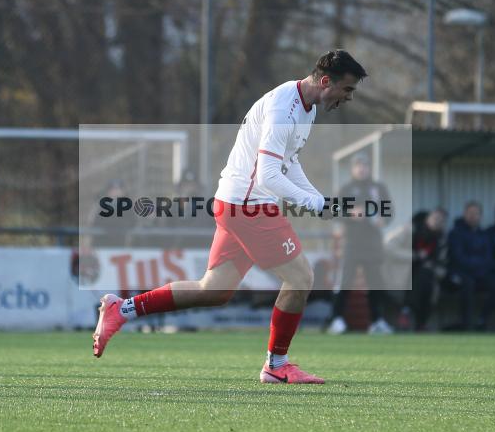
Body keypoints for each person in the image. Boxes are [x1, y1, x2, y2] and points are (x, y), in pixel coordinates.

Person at [92, 49, 368, 384]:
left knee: (214, 289)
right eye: (347, 90)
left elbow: (288, 163)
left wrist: (318, 200)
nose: (348, 97)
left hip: (236, 202)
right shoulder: (285, 108)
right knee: (300, 278)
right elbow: (268, 176)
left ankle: (122, 310)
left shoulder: (305, 108)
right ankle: (276, 364)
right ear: (326, 81)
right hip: (250, 205)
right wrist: (314, 205)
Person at [327, 152, 393, 335]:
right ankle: (337, 320)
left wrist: (383, 220)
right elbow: (334, 212)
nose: (361, 168)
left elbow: (390, 213)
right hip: (352, 244)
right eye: (358, 165)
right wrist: (350, 214)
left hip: (373, 244)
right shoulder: (346, 189)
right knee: (345, 282)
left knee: (375, 284)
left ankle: (377, 322)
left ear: (369, 167)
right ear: (353, 169)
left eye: (364, 165)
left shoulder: (378, 188)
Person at [446, 201, 495, 330]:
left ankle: (482, 320)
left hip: (479, 275)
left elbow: (489, 258)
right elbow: (458, 257)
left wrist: (479, 267)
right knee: (467, 283)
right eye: (470, 213)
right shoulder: (455, 233)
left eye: (476, 213)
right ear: (464, 214)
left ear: (480, 216)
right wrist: (476, 264)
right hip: (459, 275)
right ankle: (466, 324)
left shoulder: (485, 235)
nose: (473, 216)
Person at [384, 208, 447, 331]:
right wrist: (415, 256)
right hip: (401, 275)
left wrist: (432, 267)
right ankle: (414, 318)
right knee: (422, 277)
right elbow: (388, 247)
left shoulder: (441, 240)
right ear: (428, 218)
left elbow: (443, 265)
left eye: (441, 221)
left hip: (428, 279)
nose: (437, 222)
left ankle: (412, 316)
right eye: (435, 218)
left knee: (426, 278)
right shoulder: (409, 230)